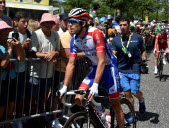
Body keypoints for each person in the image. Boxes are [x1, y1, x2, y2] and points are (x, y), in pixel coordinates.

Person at [59, 8, 124, 128]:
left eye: (73, 22)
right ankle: (99, 111)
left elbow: (102, 60)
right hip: (96, 68)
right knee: (79, 98)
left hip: (109, 68)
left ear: (83, 23)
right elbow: (71, 63)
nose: (69, 25)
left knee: (115, 103)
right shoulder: (74, 40)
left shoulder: (95, 33)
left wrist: (95, 85)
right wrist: (64, 87)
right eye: (68, 22)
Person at [28, 13, 60, 128]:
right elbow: (31, 52)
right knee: (33, 99)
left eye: (50, 22)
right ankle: (31, 121)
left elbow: (58, 51)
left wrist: (53, 53)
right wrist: (46, 55)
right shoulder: (36, 34)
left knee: (43, 98)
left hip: (49, 73)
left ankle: (40, 119)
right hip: (35, 73)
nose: (48, 24)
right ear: (41, 23)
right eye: (46, 22)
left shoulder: (56, 34)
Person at [112, 17, 146, 116]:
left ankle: (141, 99)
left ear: (129, 25)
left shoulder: (137, 37)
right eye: (121, 25)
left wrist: (143, 57)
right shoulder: (116, 40)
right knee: (127, 94)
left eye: (124, 25)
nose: (122, 27)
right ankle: (132, 114)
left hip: (135, 68)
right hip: (121, 69)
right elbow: (114, 53)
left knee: (135, 92)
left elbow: (143, 49)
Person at [0, 20, 25, 128]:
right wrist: (10, 50)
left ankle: (7, 124)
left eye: (7, 30)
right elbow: (3, 65)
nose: (6, 32)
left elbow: (22, 59)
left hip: (12, 78)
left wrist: (18, 46)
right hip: (2, 79)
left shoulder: (10, 43)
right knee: (1, 105)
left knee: (11, 104)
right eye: (3, 30)